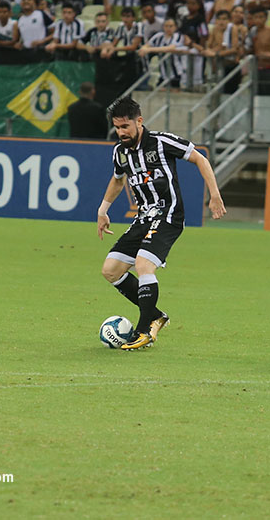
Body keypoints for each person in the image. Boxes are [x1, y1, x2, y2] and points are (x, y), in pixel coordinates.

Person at [98, 97, 226, 350]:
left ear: (139, 121)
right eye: (117, 127)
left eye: (125, 127)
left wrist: (214, 194)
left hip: (168, 215)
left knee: (143, 264)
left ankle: (144, 330)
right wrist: (103, 210)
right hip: (143, 218)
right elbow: (118, 179)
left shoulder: (161, 141)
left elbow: (200, 159)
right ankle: (155, 315)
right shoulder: (120, 151)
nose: (121, 132)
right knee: (111, 270)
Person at [245, 6, 270, 95]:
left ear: (266, 18)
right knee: (255, 95)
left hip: (269, 68)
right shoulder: (252, 32)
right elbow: (249, 49)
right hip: (256, 68)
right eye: (256, 17)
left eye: (261, 17)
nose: (258, 20)